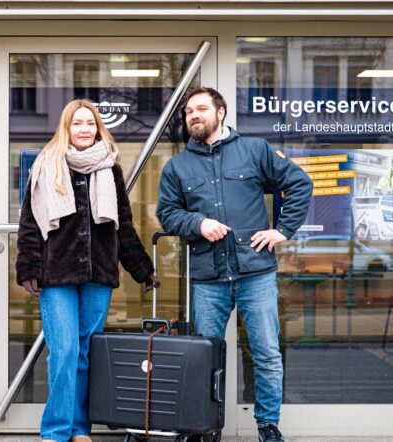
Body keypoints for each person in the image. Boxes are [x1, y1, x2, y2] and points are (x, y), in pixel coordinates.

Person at [156, 87, 312, 442]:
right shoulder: (177, 167)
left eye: (200, 109)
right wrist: (197, 224)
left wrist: (282, 230)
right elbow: (167, 214)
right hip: (207, 277)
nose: (193, 116)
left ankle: (268, 426)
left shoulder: (254, 150)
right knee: (203, 358)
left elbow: (300, 184)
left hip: (254, 271)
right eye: (188, 112)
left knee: (266, 353)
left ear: (220, 112)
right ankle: (204, 425)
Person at [16, 99, 160, 442]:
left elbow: (122, 225)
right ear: (66, 128)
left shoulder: (109, 168)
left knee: (83, 353)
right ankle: (55, 431)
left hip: (98, 275)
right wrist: (28, 267)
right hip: (56, 275)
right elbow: (30, 224)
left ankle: (79, 428)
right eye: (77, 123)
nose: (84, 129)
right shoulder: (46, 165)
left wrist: (142, 269)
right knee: (64, 351)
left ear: (98, 128)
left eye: (90, 123)